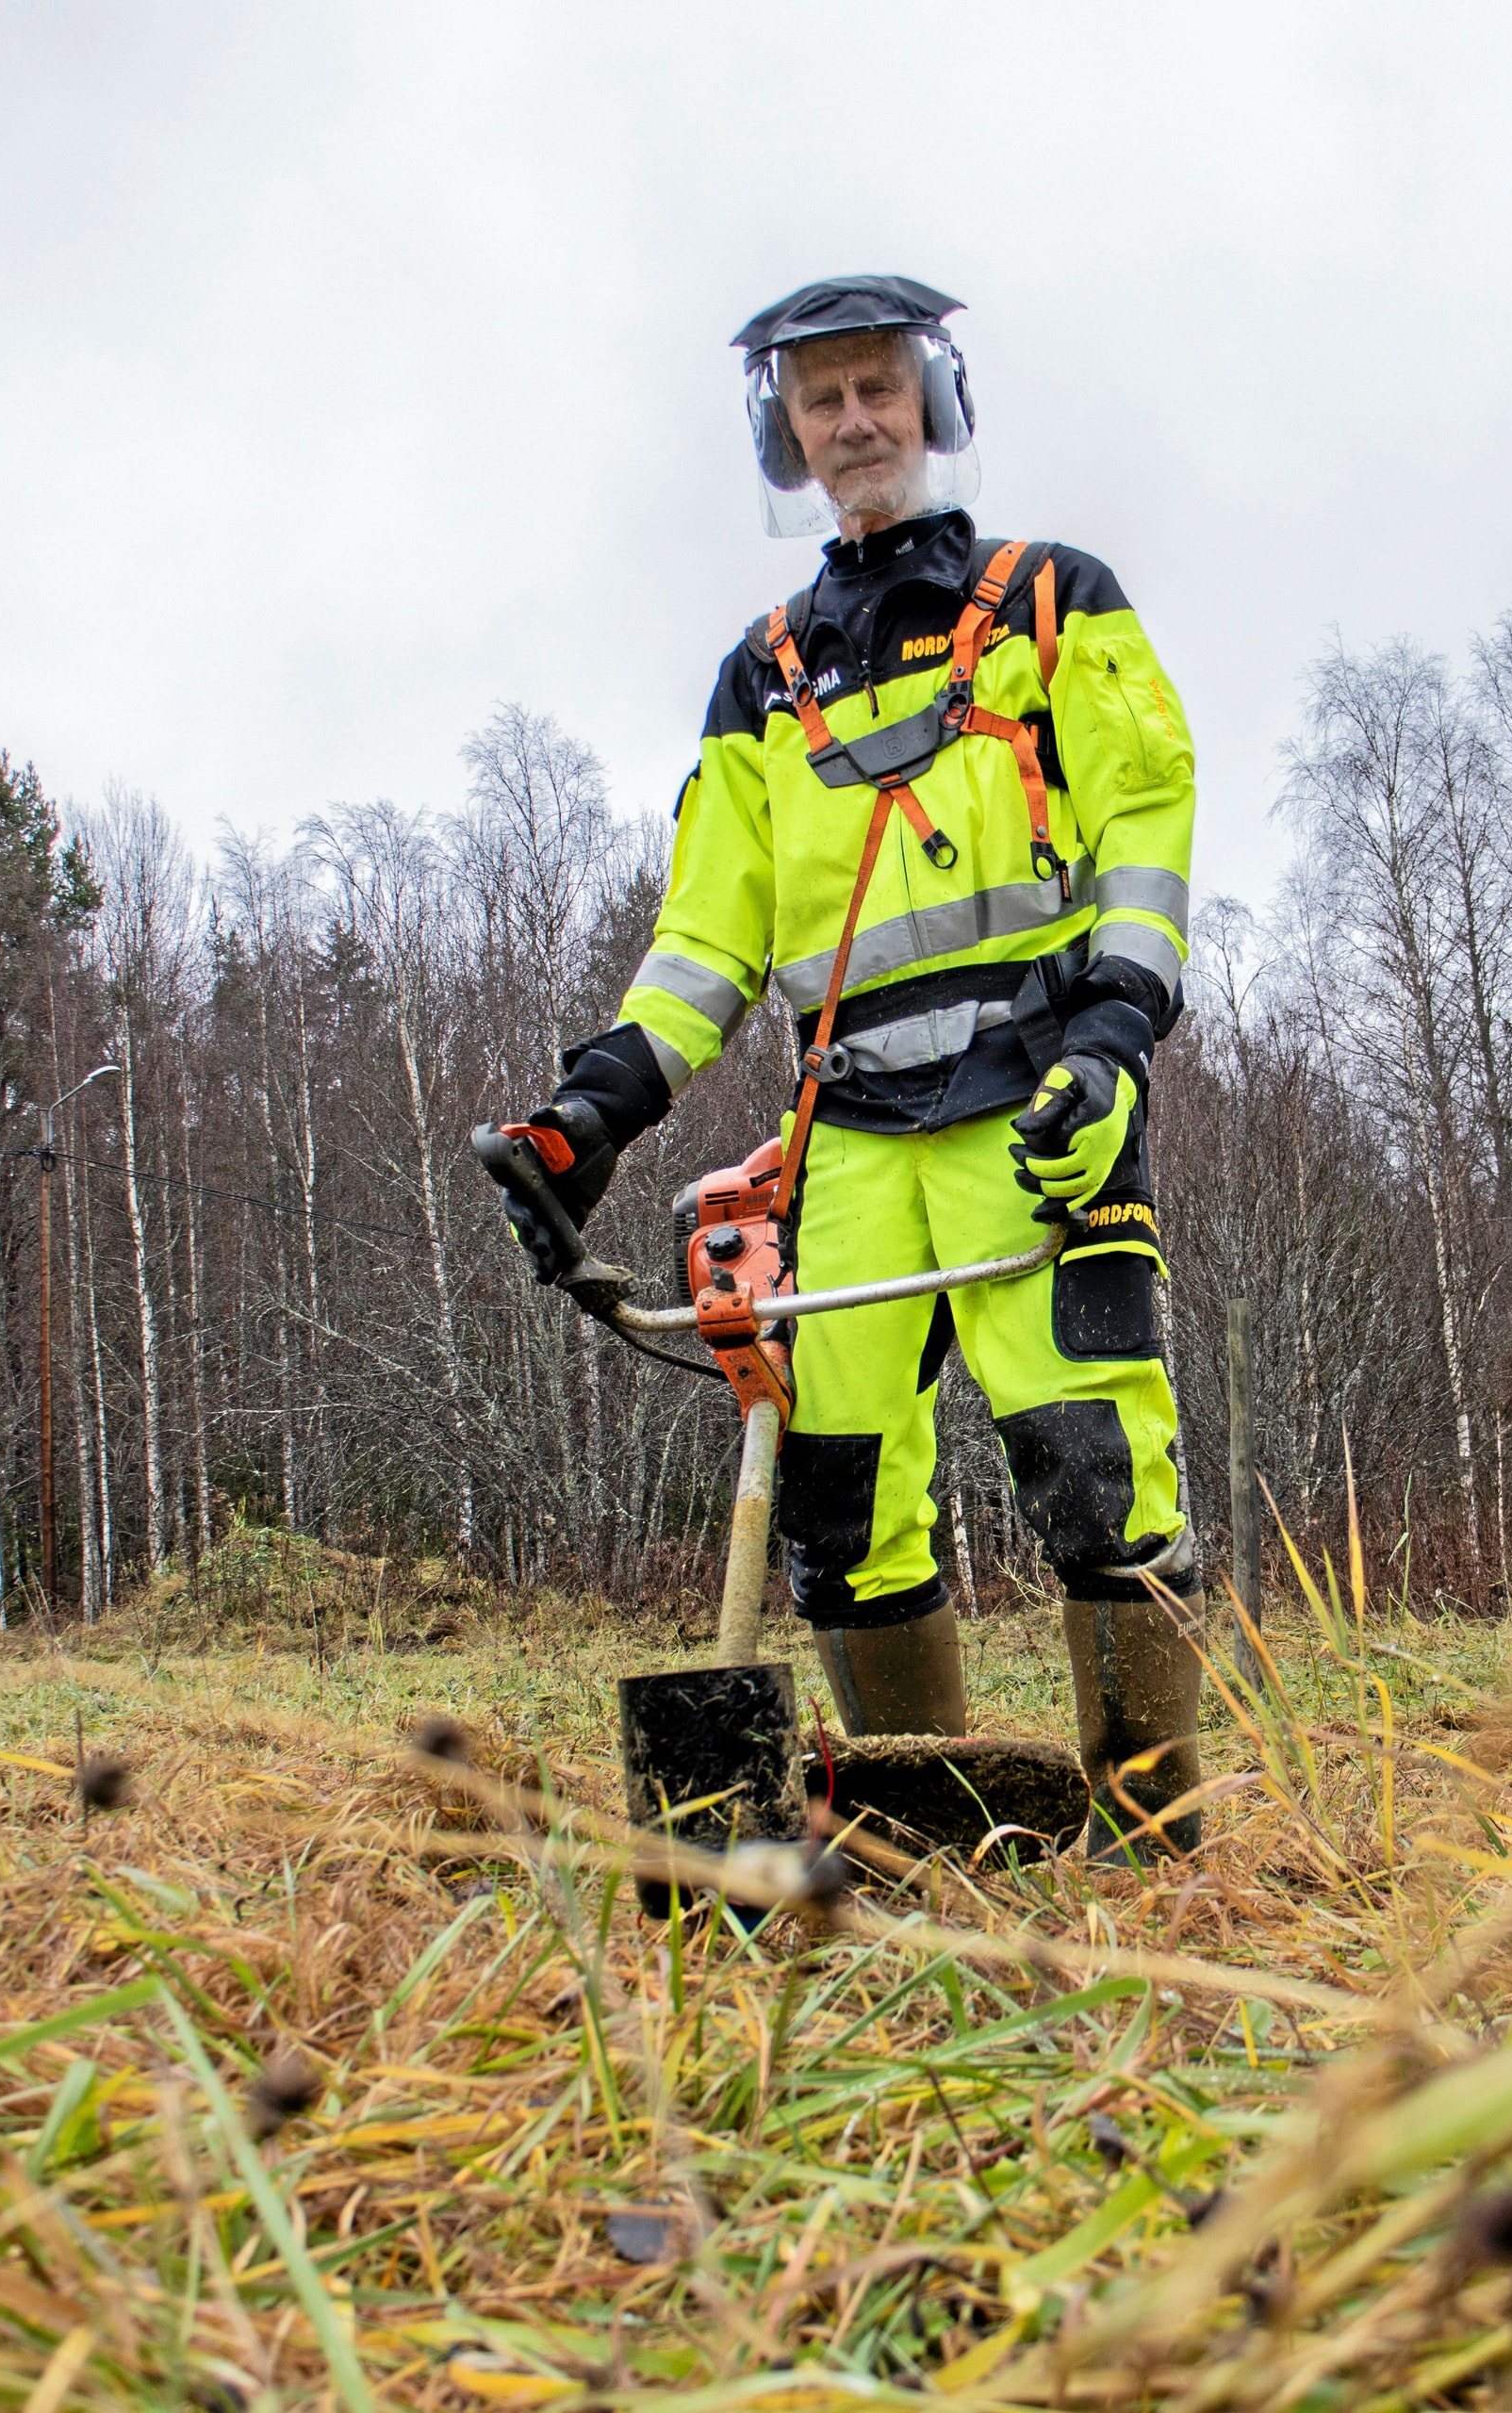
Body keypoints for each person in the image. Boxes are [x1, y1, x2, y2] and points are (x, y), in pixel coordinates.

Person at [488, 274, 1207, 1854]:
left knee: (1099, 1478)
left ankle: (1162, 1857)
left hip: (1040, 1106)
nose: (857, 421)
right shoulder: (761, 677)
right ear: (788, 436)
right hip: (852, 1146)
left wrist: (1111, 1039)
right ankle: (933, 1836)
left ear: (930, 405)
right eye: (825, 402)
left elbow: (1149, 833)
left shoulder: (1049, 603)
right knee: (837, 1502)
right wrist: (592, 1109)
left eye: (879, 389)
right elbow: (705, 943)